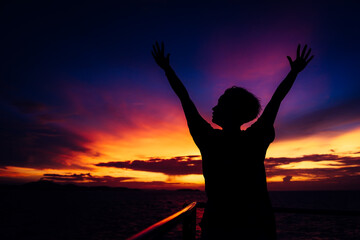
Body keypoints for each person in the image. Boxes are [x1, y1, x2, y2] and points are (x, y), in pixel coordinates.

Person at [152, 42, 313, 239]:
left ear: (232, 111)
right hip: (257, 225)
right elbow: (275, 101)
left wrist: (168, 69)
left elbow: (185, 99)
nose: (213, 108)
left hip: (220, 226)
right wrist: (293, 73)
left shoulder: (209, 139)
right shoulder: (255, 138)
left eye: (220, 104)